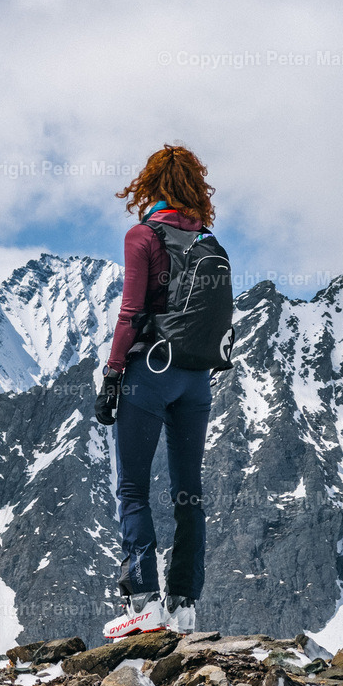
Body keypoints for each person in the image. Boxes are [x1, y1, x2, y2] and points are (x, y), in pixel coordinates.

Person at [95, 144, 217, 639]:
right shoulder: (209, 242)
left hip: (150, 371)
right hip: (196, 378)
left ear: (150, 185)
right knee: (189, 493)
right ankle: (184, 607)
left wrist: (113, 373)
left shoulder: (143, 236)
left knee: (133, 488)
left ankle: (143, 603)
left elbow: (131, 313)